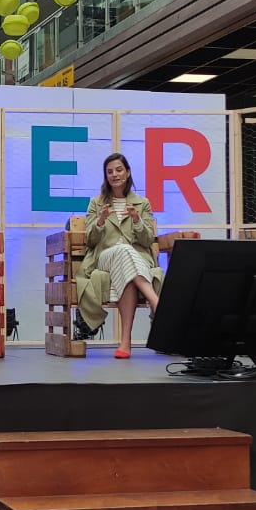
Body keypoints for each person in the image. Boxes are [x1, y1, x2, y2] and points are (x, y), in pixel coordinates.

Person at [75, 153, 162, 359]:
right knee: (123, 250)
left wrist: (137, 220)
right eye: (110, 171)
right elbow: (91, 241)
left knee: (128, 271)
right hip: (105, 258)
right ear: (106, 176)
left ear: (128, 172)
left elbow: (148, 240)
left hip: (135, 262)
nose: (115, 175)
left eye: (119, 170)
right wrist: (100, 221)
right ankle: (157, 304)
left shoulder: (142, 203)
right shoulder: (97, 203)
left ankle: (125, 343)